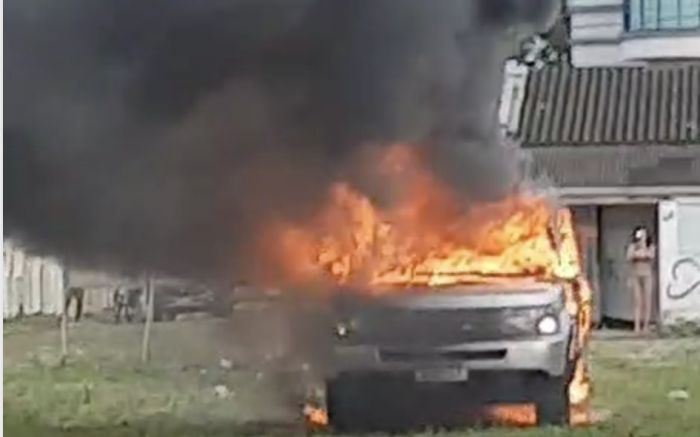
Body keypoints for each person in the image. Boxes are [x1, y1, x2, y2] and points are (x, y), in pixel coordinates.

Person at [626, 226, 655, 334]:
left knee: (647, 301)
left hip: (647, 275)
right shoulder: (633, 245)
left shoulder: (650, 246)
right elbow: (629, 256)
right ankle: (636, 326)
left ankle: (646, 326)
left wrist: (641, 251)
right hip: (635, 275)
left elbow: (650, 255)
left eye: (644, 234)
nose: (642, 236)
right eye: (640, 234)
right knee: (637, 301)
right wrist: (639, 252)